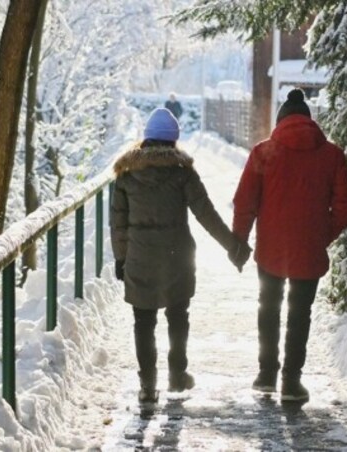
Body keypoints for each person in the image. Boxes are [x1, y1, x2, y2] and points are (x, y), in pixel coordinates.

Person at [111, 108, 249, 403]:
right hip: (177, 257)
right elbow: (206, 215)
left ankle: (148, 387)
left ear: (145, 139)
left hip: (140, 256)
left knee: (143, 322)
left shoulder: (125, 175)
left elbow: (118, 225)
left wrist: (121, 259)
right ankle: (177, 376)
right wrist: (233, 246)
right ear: (174, 141)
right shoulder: (184, 174)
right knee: (178, 316)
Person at [232, 89, 347, 401]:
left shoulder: (264, 152)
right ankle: (291, 381)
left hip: (271, 249)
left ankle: (266, 374)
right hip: (309, 249)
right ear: (309, 122)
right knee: (300, 312)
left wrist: (239, 242)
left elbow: (244, 201)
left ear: (281, 121)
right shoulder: (332, 155)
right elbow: (344, 204)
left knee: (268, 307)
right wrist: (321, 234)